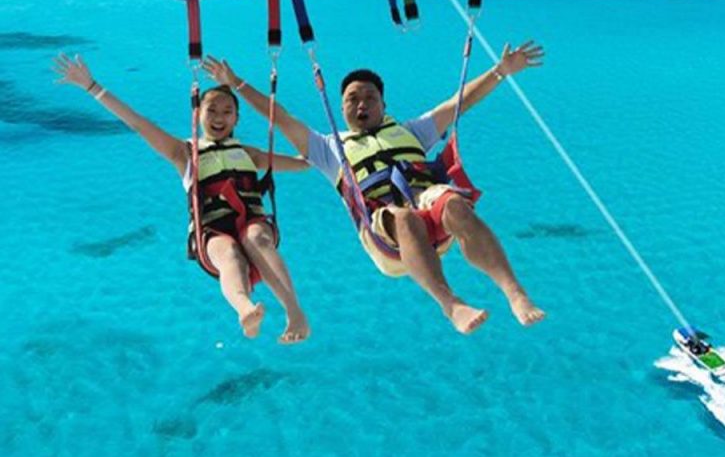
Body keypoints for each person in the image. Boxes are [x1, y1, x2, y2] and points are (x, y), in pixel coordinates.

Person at [202, 41, 546, 335]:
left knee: (454, 202)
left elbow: (459, 102)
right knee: (404, 218)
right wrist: (236, 84)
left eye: (370, 97)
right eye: (352, 99)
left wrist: (501, 71)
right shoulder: (328, 148)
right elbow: (281, 116)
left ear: (384, 105)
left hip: (429, 208)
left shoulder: (412, 131)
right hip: (384, 233)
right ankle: (451, 304)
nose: (362, 104)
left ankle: (514, 293)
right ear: (341, 109)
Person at [52, 54, 311, 344]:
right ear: (198, 114)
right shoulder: (184, 153)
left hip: (253, 224)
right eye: (212, 110)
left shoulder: (250, 154)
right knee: (229, 253)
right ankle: (245, 309)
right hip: (212, 233)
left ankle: (295, 313)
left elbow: (305, 161)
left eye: (227, 111)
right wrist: (91, 86)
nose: (219, 117)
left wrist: (241, 86)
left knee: (256, 237)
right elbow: (138, 124)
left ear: (237, 119)